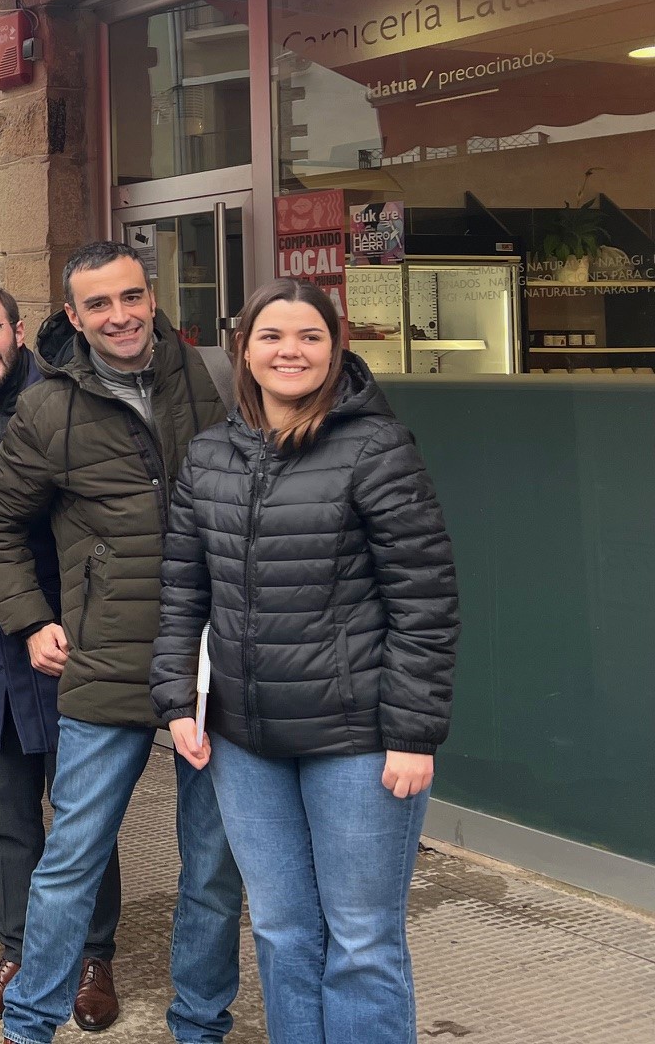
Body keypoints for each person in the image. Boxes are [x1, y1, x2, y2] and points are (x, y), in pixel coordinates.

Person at [152, 279, 459, 1044]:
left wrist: (413, 732)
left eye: (310, 337)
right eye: (272, 336)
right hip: (245, 741)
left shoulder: (376, 448)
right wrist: (178, 701)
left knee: (362, 941)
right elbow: (183, 591)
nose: (290, 351)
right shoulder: (209, 456)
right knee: (282, 931)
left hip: (358, 741)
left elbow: (424, 599)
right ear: (244, 351)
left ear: (335, 349)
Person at [0, 241, 243, 1044]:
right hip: (107, 654)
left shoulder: (218, 380)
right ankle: (30, 1027)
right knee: (72, 858)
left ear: (151, 297)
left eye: (130, 297)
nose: (119, 316)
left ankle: (200, 1025)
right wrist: (30, 618)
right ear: (72, 315)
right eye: (98, 304)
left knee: (214, 867)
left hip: (213, 658)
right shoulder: (48, 409)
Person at [0, 285, 122, 1031]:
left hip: (68, 638)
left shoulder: (71, 404)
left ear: (18, 331)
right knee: (8, 817)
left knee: (83, 813)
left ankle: (92, 957)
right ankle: (16, 953)